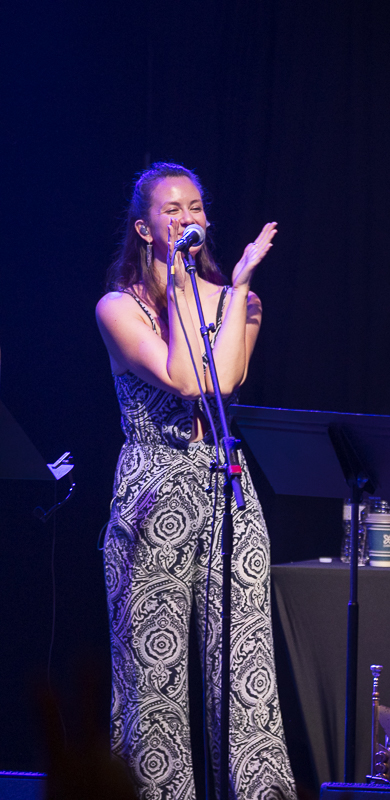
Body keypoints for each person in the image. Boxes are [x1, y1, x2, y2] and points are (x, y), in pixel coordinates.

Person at [95, 162, 296, 800]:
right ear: (144, 227)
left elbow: (223, 380)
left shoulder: (242, 300)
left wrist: (233, 288)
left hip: (226, 487)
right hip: (155, 490)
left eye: (196, 207)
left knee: (247, 670)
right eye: (171, 209)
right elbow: (183, 377)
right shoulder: (118, 308)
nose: (188, 218)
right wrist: (185, 288)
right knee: (151, 680)